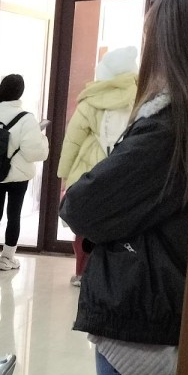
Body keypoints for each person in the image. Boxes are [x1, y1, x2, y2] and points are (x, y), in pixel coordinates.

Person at [61, 0, 188, 375]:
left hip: (145, 326)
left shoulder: (171, 125)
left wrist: (68, 178)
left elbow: (83, 205)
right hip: (182, 310)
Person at [56, 46, 139, 286]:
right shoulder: (140, 98)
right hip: (124, 173)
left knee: (84, 225)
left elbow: (72, 142)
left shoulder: (91, 101)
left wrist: (64, 175)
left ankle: (82, 273)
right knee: (118, 227)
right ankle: (113, 276)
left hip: (89, 171)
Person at [0, 74, 50, 275]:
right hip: (18, 176)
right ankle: (7, 259)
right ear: (20, 93)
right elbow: (35, 152)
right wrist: (42, 138)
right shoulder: (26, 118)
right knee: (13, 215)